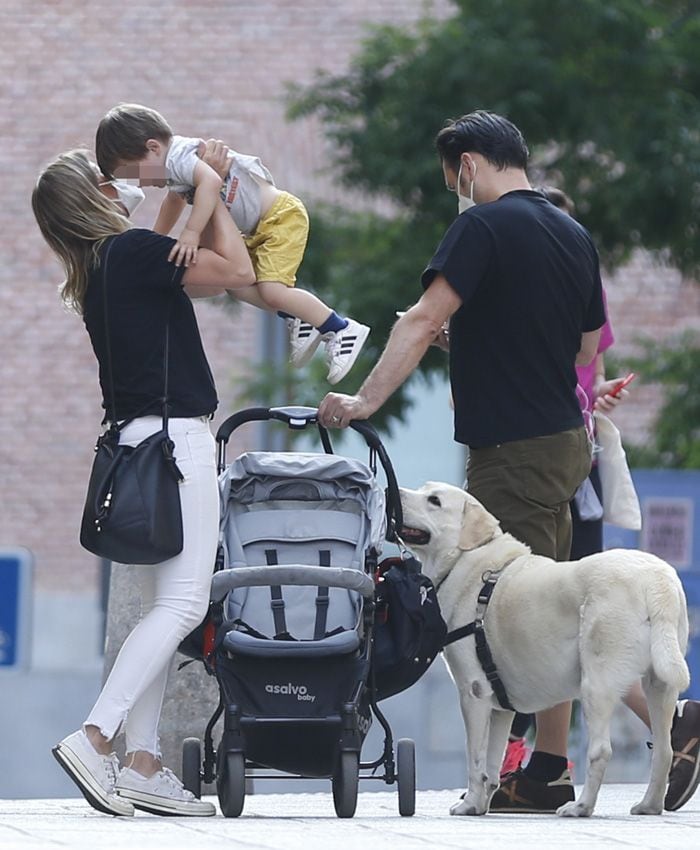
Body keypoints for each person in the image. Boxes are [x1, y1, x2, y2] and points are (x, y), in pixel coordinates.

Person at [318, 110, 605, 813]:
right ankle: (544, 768)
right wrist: (484, 346)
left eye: (455, 179)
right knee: (550, 603)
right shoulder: (572, 232)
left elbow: (417, 320)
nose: (458, 191)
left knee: (508, 609)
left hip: (513, 447)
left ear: (469, 165)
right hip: (567, 441)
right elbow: (587, 347)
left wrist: (362, 402)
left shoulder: (480, 226)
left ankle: (531, 770)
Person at [32, 147, 256, 817]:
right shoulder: (129, 255)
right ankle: (98, 734)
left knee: (167, 604)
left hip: (140, 442)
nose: (122, 184)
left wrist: (187, 198)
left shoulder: (103, 266)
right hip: (176, 441)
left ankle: (143, 761)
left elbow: (163, 248)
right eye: (107, 180)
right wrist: (206, 186)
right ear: (93, 197)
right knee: (185, 604)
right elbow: (238, 270)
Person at [95, 103, 370, 385]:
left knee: (272, 290)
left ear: (153, 148)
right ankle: (298, 316)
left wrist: (191, 232)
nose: (138, 184)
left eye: (134, 174)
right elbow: (173, 202)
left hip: (280, 217)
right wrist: (157, 241)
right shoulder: (173, 169)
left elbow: (211, 182)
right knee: (237, 288)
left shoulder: (180, 156)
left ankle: (340, 328)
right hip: (257, 227)